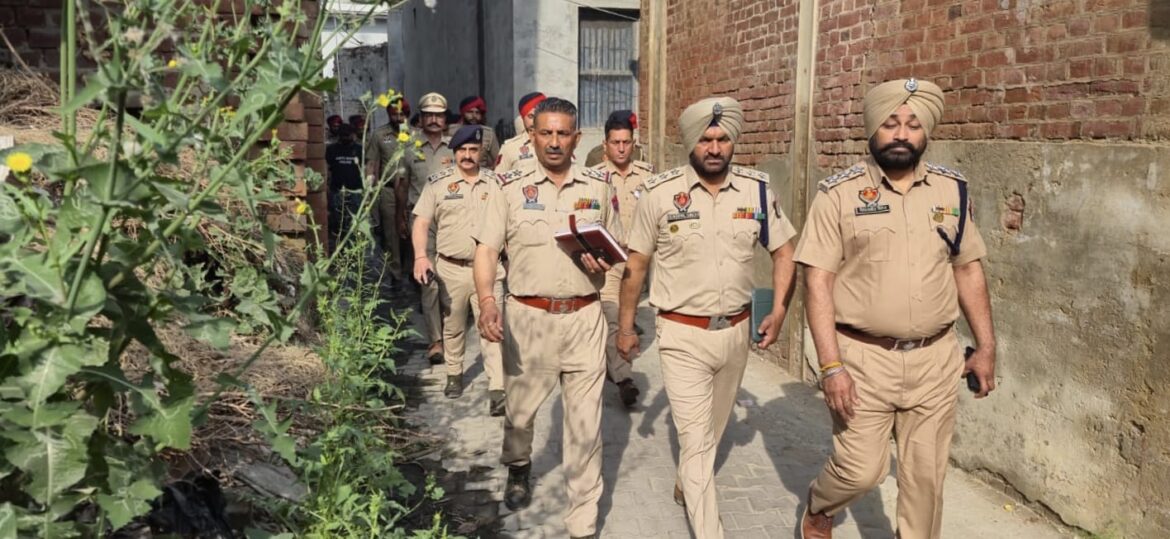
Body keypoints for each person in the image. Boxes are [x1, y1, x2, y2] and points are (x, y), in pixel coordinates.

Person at [794, 78, 996, 539]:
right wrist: (831, 367)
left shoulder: (952, 191)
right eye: (890, 124)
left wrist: (986, 346)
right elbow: (818, 280)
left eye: (913, 124)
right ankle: (821, 504)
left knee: (926, 481)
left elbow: (968, 269)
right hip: (863, 360)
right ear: (872, 130)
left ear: (925, 132)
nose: (902, 134)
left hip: (935, 359)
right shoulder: (838, 195)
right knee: (861, 471)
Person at [617, 96, 797, 538]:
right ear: (690, 144)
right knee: (697, 444)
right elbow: (636, 265)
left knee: (712, 433)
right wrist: (625, 328)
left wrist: (778, 309)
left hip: (735, 334)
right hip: (681, 335)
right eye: (705, 140)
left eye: (722, 139)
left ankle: (688, 479)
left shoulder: (756, 191)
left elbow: (784, 252)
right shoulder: (659, 194)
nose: (714, 148)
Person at [472, 97, 620, 539]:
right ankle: (518, 466)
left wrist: (603, 263)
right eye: (546, 133)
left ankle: (582, 521)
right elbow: (486, 250)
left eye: (563, 134)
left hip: (584, 319)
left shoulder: (599, 186)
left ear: (577, 138)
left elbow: (617, 251)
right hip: (527, 320)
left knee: (586, 427)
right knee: (519, 414)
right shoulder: (508, 187)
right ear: (532, 135)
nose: (554, 142)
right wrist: (487, 301)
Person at [411, 125, 507, 414]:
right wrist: (420, 256)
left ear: (481, 152)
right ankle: (454, 373)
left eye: (473, 150)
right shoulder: (438, 183)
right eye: (462, 150)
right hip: (451, 269)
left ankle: (497, 388)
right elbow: (421, 222)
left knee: (492, 326)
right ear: (454, 152)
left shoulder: (496, 183)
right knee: (453, 327)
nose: (467, 155)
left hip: (489, 269)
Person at [591, 110, 653, 409]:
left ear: (633, 143)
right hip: (610, 257)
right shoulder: (594, 177)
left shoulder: (648, 176)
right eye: (615, 142)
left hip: (638, 259)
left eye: (626, 142)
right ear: (605, 144)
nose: (621, 148)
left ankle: (613, 364)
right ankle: (624, 378)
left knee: (628, 315)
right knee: (612, 315)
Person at [397, 92, 455, 364]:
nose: (433, 120)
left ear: (445, 119)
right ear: (420, 119)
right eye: (428, 115)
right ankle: (436, 341)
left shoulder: (456, 147)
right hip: (421, 221)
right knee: (428, 280)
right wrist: (399, 217)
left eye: (438, 115)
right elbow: (402, 186)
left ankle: (452, 333)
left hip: (452, 220)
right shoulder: (408, 148)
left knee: (451, 279)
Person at [366, 95, 411, 283]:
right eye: (394, 114)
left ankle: (412, 272)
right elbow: (371, 163)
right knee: (391, 234)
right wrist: (370, 190)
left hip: (412, 191)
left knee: (412, 231)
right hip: (389, 191)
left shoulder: (416, 135)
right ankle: (396, 276)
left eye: (402, 114)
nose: (398, 118)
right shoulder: (379, 135)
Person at [325, 124, 365, 251]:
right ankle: (341, 250)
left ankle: (354, 249)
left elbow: (365, 169)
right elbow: (327, 169)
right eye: (343, 135)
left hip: (355, 192)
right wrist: (327, 187)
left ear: (353, 135)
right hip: (337, 191)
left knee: (355, 223)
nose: (346, 138)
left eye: (348, 135)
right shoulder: (332, 149)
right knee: (338, 223)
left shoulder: (359, 149)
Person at [495, 92, 545, 172]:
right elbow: (498, 177)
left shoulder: (557, 144)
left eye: (539, 116)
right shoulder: (509, 148)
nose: (535, 121)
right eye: (531, 116)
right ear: (522, 118)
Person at [451, 95, 501, 169]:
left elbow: (498, 160)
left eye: (477, 113)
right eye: (470, 112)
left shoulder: (488, 133)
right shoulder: (451, 131)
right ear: (463, 113)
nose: (474, 116)